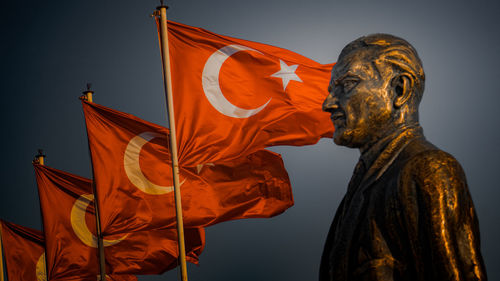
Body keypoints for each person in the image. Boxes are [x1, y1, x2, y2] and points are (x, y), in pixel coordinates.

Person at [320, 34, 487, 281]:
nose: (328, 104)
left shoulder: (428, 169)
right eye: (332, 90)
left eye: (348, 84)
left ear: (400, 89)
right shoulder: (362, 186)